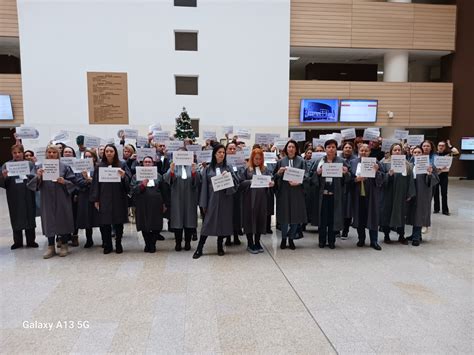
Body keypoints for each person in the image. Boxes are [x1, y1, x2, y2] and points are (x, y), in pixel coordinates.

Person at [27, 145, 76, 258]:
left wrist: (64, 182)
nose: (51, 154)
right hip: (47, 197)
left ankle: (64, 245)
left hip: (62, 197)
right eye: (49, 152)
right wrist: (38, 176)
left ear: (58, 153)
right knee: (49, 220)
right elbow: (31, 184)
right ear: (46, 153)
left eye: (54, 152)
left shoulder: (65, 166)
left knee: (62, 219)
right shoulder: (40, 166)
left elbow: (73, 183)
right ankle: (50, 247)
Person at [193, 144, 239, 259]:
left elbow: (236, 182)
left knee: (223, 223)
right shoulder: (208, 168)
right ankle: (200, 248)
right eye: (219, 152)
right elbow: (203, 187)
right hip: (212, 200)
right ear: (214, 154)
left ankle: (220, 246)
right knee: (207, 224)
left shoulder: (228, 167)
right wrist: (203, 204)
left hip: (225, 199)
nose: (222, 154)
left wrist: (229, 176)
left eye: (223, 152)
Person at [309, 139, 350, 249]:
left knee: (333, 218)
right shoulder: (319, 161)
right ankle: (321, 240)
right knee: (323, 219)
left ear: (336, 149)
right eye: (329, 147)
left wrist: (346, 173)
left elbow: (349, 179)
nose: (331, 149)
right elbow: (311, 177)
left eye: (333, 147)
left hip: (335, 195)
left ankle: (332, 241)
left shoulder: (341, 161)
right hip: (322, 195)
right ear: (325, 149)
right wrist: (317, 173)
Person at [90, 144, 131, 254]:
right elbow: (95, 184)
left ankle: (118, 243)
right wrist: (96, 199)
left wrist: (123, 176)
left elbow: (129, 181)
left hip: (119, 197)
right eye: (107, 151)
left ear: (115, 153)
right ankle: (108, 244)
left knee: (118, 222)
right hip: (104, 198)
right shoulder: (99, 166)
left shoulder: (122, 164)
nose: (108, 153)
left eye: (111, 151)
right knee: (105, 222)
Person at [0, 144, 37, 249]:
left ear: (23, 153)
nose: (17, 154)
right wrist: (5, 177)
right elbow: (3, 182)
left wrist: (28, 175)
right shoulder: (6, 165)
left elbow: (34, 178)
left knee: (29, 214)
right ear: (12, 154)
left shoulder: (29, 164)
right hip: (14, 194)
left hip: (27, 193)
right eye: (15, 153)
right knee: (16, 215)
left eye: (19, 152)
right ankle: (17, 242)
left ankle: (31, 241)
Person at [238, 148, 274, 253]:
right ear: (252, 158)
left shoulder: (265, 169)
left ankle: (257, 242)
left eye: (259, 159)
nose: (257, 161)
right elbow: (240, 184)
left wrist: (272, 183)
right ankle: (250, 243)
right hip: (249, 199)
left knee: (260, 219)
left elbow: (271, 180)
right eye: (256, 158)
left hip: (262, 199)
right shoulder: (246, 169)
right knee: (249, 220)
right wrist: (250, 181)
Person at [273, 139, 307, 250]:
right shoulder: (280, 162)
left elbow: (307, 177)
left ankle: (291, 238)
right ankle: (283, 238)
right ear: (286, 149)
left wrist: (299, 182)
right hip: (284, 192)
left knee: (295, 217)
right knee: (284, 217)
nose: (291, 149)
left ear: (296, 149)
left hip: (297, 192)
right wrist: (278, 173)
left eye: (293, 147)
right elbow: (274, 178)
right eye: (289, 147)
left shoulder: (301, 161)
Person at [379, 143, 415, 245]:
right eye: (395, 150)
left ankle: (401, 235)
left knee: (401, 214)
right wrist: (388, 175)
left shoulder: (407, 164)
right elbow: (380, 177)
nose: (397, 152)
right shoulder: (384, 163)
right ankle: (386, 235)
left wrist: (409, 193)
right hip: (388, 193)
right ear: (391, 151)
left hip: (401, 194)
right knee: (387, 214)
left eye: (399, 150)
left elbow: (410, 180)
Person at [349, 144, 383, 250]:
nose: (364, 152)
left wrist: (377, 171)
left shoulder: (376, 162)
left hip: (371, 194)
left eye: (366, 150)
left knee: (373, 217)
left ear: (370, 152)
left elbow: (382, 179)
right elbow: (348, 178)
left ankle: (374, 241)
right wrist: (355, 180)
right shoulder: (353, 162)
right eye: (362, 150)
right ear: (358, 151)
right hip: (358, 194)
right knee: (360, 217)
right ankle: (361, 239)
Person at [131, 156, 166, 253]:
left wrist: (164, 204)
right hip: (142, 203)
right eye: (145, 162)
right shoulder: (136, 176)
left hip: (156, 203)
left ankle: (153, 243)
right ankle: (147, 243)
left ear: (153, 164)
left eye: (149, 162)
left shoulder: (158, 176)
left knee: (156, 224)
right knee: (144, 223)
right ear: (142, 164)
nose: (147, 164)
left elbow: (163, 190)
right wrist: (142, 185)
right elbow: (133, 190)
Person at [163, 159, 200, 252]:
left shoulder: (192, 166)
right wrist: (171, 171)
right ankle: (178, 243)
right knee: (177, 221)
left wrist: (194, 172)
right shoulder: (174, 166)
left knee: (189, 220)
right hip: (176, 198)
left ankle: (188, 242)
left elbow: (198, 181)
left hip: (190, 197)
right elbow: (167, 180)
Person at [406, 146, 439, 246]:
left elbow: (435, 180)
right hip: (412, 191)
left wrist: (429, 174)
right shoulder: (410, 165)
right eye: (415, 152)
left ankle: (416, 237)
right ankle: (416, 234)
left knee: (419, 213)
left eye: (419, 152)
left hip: (423, 193)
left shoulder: (429, 166)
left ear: (422, 154)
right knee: (413, 213)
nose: (416, 154)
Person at [75, 149, 100, 248]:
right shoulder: (80, 168)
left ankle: (104, 239)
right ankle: (89, 240)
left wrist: (90, 180)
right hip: (84, 195)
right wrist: (88, 181)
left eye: (90, 156)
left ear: (94, 158)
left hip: (96, 195)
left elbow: (100, 181)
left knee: (99, 217)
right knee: (87, 218)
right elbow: (78, 182)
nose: (88, 158)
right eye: (86, 157)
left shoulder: (98, 168)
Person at [433, 140, 459, 215]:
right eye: (439, 145)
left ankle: (445, 210)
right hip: (436, 175)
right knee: (436, 193)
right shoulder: (434, 154)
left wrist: (450, 145)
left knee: (444, 193)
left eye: (443, 145)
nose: (441, 147)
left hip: (444, 176)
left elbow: (457, 152)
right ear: (437, 146)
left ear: (445, 147)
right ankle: (436, 209)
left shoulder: (448, 154)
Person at [62, 146, 80, 247]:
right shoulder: (59, 165)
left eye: (70, 152)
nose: (68, 154)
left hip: (74, 193)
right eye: (66, 152)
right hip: (62, 193)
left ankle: (74, 236)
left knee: (74, 214)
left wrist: (76, 193)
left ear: (73, 154)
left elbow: (77, 180)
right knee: (63, 215)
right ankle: (64, 236)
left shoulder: (77, 165)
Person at [225, 141, 243, 246]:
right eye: (230, 149)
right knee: (228, 215)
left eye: (234, 149)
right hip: (227, 192)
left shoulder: (240, 162)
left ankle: (236, 235)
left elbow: (243, 175)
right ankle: (227, 237)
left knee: (237, 214)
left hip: (237, 192)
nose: (232, 151)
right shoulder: (224, 162)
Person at [341, 142, 357, 239]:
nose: (347, 149)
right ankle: (337, 229)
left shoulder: (355, 160)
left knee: (348, 210)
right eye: (346, 147)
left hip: (350, 188)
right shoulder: (338, 158)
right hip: (339, 187)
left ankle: (345, 230)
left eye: (349, 147)